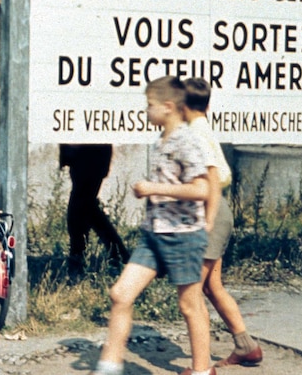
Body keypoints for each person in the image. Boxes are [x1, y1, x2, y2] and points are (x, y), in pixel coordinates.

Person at [90, 76, 213, 375]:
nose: (146, 111)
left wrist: (153, 189)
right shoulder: (161, 140)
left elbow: (202, 189)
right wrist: (150, 189)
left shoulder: (187, 140)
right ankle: (109, 366)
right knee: (121, 294)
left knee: (189, 305)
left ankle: (201, 370)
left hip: (183, 235)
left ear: (168, 107)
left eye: (150, 106)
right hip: (154, 234)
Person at [183, 78, 262, 367]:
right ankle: (246, 346)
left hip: (210, 213)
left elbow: (218, 175)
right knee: (211, 286)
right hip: (218, 211)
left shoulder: (193, 133)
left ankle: (201, 367)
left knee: (191, 292)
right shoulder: (202, 128)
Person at [59, 144, 129, 275]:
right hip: (85, 153)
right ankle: (116, 253)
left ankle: (79, 256)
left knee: (82, 205)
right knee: (85, 206)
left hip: (91, 152)